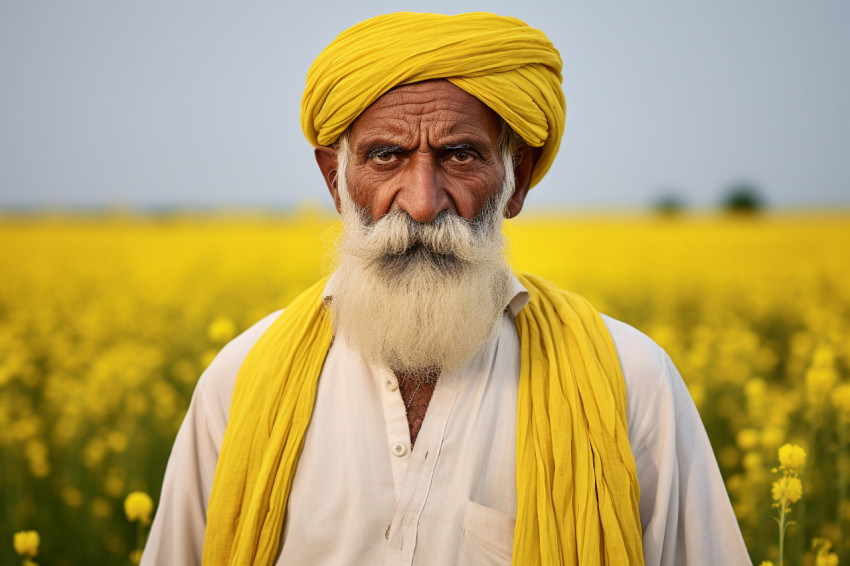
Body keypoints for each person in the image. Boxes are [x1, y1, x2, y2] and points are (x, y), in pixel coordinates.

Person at [142, 12, 750, 566]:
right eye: (386, 157)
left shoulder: (631, 384)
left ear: (516, 182)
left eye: (460, 157)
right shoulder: (241, 382)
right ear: (336, 181)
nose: (424, 203)